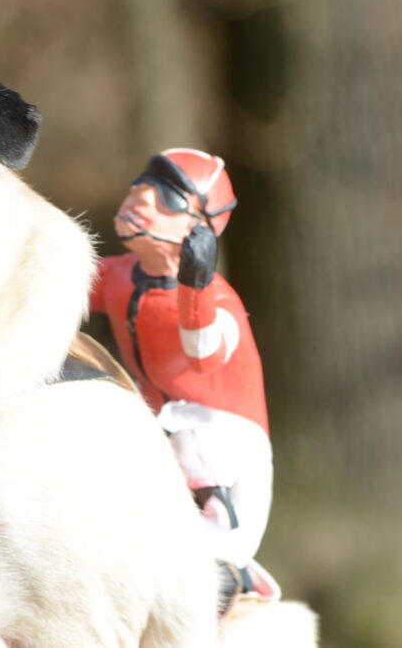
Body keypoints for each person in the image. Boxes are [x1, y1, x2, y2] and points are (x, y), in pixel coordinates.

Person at [89, 148, 280, 612]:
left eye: (168, 199)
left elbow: (205, 355)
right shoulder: (120, 276)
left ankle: (222, 575)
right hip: (154, 422)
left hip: (220, 438)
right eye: (141, 187)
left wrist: (196, 288)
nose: (142, 199)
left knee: (202, 466)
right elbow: (56, 280)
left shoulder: (215, 298)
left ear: (199, 228)